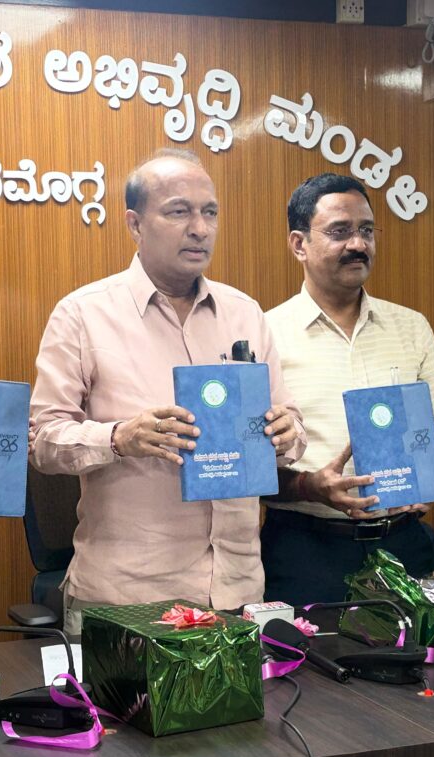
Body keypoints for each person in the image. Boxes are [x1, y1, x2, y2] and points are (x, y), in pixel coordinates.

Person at [30, 149, 306, 633]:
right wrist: (118, 438)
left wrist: (288, 434)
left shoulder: (244, 313)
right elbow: (42, 442)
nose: (200, 228)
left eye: (210, 212)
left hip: (237, 592)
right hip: (128, 598)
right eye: (179, 212)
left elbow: (292, 430)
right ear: (135, 224)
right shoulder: (83, 314)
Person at [261, 173, 434, 604]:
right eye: (339, 232)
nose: (358, 244)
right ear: (298, 244)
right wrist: (310, 485)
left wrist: (428, 471)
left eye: (366, 230)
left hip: (404, 547)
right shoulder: (265, 334)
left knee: (422, 651)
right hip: (306, 551)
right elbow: (247, 470)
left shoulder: (411, 326)